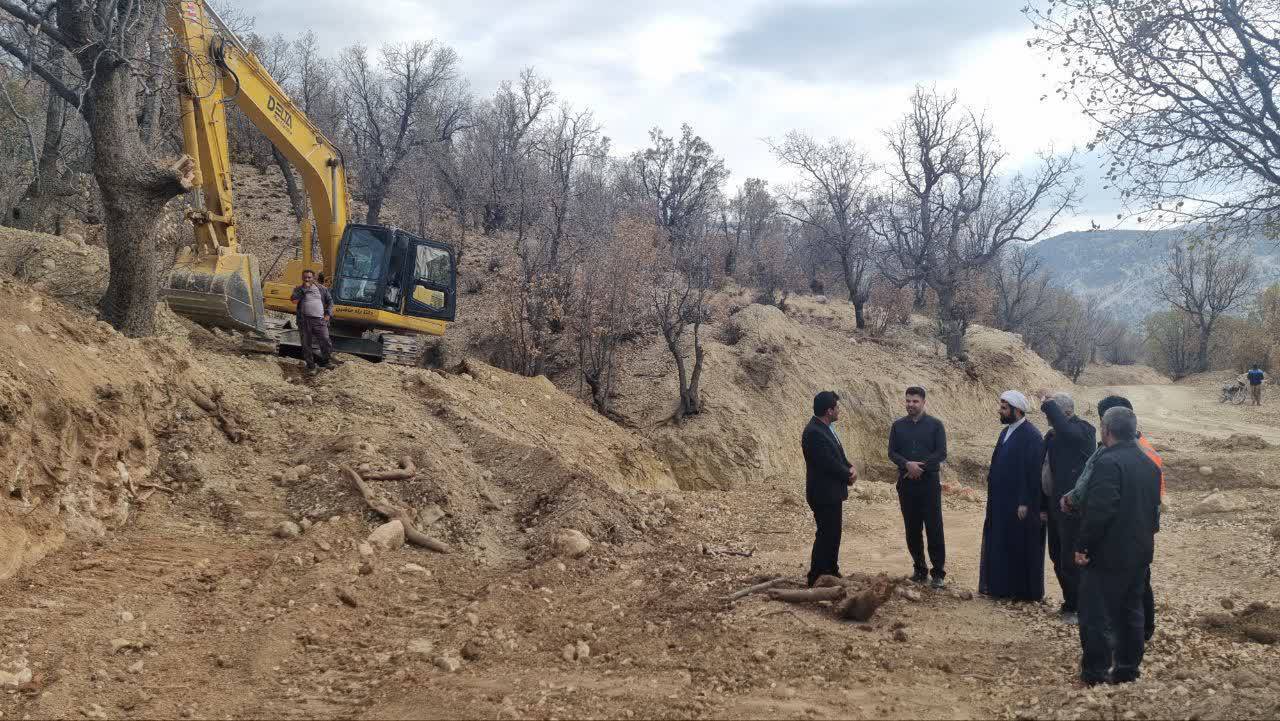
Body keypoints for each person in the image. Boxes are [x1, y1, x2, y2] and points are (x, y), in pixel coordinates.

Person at [1062, 394, 1164, 641]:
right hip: (1139, 535)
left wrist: (1083, 541)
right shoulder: (1148, 455)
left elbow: (1097, 502)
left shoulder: (1109, 457)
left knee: (1107, 595)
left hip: (1115, 537)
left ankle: (1106, 655)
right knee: (1137, 587)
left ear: (1107, 426)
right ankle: (1138, 638)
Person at [979, 390, 1046, 602]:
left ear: (1017, 411)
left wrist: (1025, 502)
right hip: (1000, 501)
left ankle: (1020, 591)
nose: (1000, 410)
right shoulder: (1006, 431)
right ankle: (999, 587)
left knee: (1017, 544)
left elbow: (1033, 473)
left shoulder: (1032, 436)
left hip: (1018, 504)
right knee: (1000, 542)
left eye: (1004, 408)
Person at [1037, 391, 1096, 625]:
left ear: (1068, 412)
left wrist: (1047, 404)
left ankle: (1079, 607)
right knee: (1056, 556)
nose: (1049, 419)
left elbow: (1069, 433)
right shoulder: (1051, 436)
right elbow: (1044, 471)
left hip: (1073, 507)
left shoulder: (1083, 430)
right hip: (1053, 506)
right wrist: (1042, 505)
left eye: (1053, 413)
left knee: (1071, 559)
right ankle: (1069, 602)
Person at [888, 386, 948, 587]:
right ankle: (920, 569)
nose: (910, 405)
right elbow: (892, 452)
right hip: (906, 485)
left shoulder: (936, 425)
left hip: (929, 484)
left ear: (923, 402)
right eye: (908, 401)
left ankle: (938, 573)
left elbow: (941, 453)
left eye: (914, 401)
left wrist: (920, 467)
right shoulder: (897, 426)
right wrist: (907, 465)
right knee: (912, 529)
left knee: (934, 528)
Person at [802, 391, 858, 587]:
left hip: (831, 492)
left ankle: (831, 571)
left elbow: (838, 456)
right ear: (829, 411)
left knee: (833, 534)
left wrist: (849, 467)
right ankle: (816, 576)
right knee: (826, 533)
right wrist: (848, 474)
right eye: (837, 408)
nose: (839, 411)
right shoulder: (814, 433)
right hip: (823, 494)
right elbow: (828, 463)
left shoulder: (826, 428)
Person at [290, 269, 335, 374]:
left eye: (309, 277)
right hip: (304, 321)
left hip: (319, 320)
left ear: (314, 278)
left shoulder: (322, 289)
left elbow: (330, 301)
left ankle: (327, 361)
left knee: (325, 339)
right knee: (306, 344)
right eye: (305, 277)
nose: (307, 279)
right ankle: (311, 366)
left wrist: (328, 314)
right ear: (302, 278)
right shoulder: (298, 289)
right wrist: (304, 290)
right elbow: (294, 300)